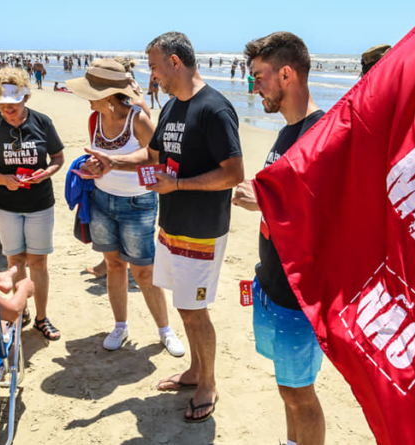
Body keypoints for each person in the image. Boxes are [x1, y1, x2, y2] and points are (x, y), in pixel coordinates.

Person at [85, 31, 243, 423]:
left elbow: (234, 173)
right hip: (171, 226)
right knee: (184, 307)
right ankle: (194, 371)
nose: (151, 75)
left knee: (194, 309)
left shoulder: (214, 109)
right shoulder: (172, 109)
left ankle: (208, 383)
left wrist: (180, 184)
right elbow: (152, 156)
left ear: (175, 61)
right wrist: (112, 162)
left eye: (154, 66)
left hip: (203, 229)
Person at [233, 31, 327, 445]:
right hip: (271, 284)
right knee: (287, 390)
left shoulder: (320, 134)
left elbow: (329, 220)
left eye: (259, 76)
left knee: (300, 394)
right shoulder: (288, 131)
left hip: (297, 297)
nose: (254, 86)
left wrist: (266, 204)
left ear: (286, 74)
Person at [65, 59, 185, 357]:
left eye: (90, 92)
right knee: (114, 266)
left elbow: (157, 159)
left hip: (137, 203)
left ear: (107, 95)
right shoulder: (94, 119)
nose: (86, 98)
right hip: (101, 200)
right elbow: (100, 155)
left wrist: (112, 164)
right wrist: (94, 166)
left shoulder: (139, 120)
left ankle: (164, 330)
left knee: (144, 273)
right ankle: (120, 325)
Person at [0, 68, 65, 340]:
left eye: (12, 107)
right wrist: (3, 179)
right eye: (2, 106)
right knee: (15, 260)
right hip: (4, 205)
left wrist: (48, 171)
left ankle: (41, 317)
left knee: (38, 262)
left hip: (39, 203)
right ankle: (20, 309)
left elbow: (58, 157)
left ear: (26, 98)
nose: (7, 111)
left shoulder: (42, 122)